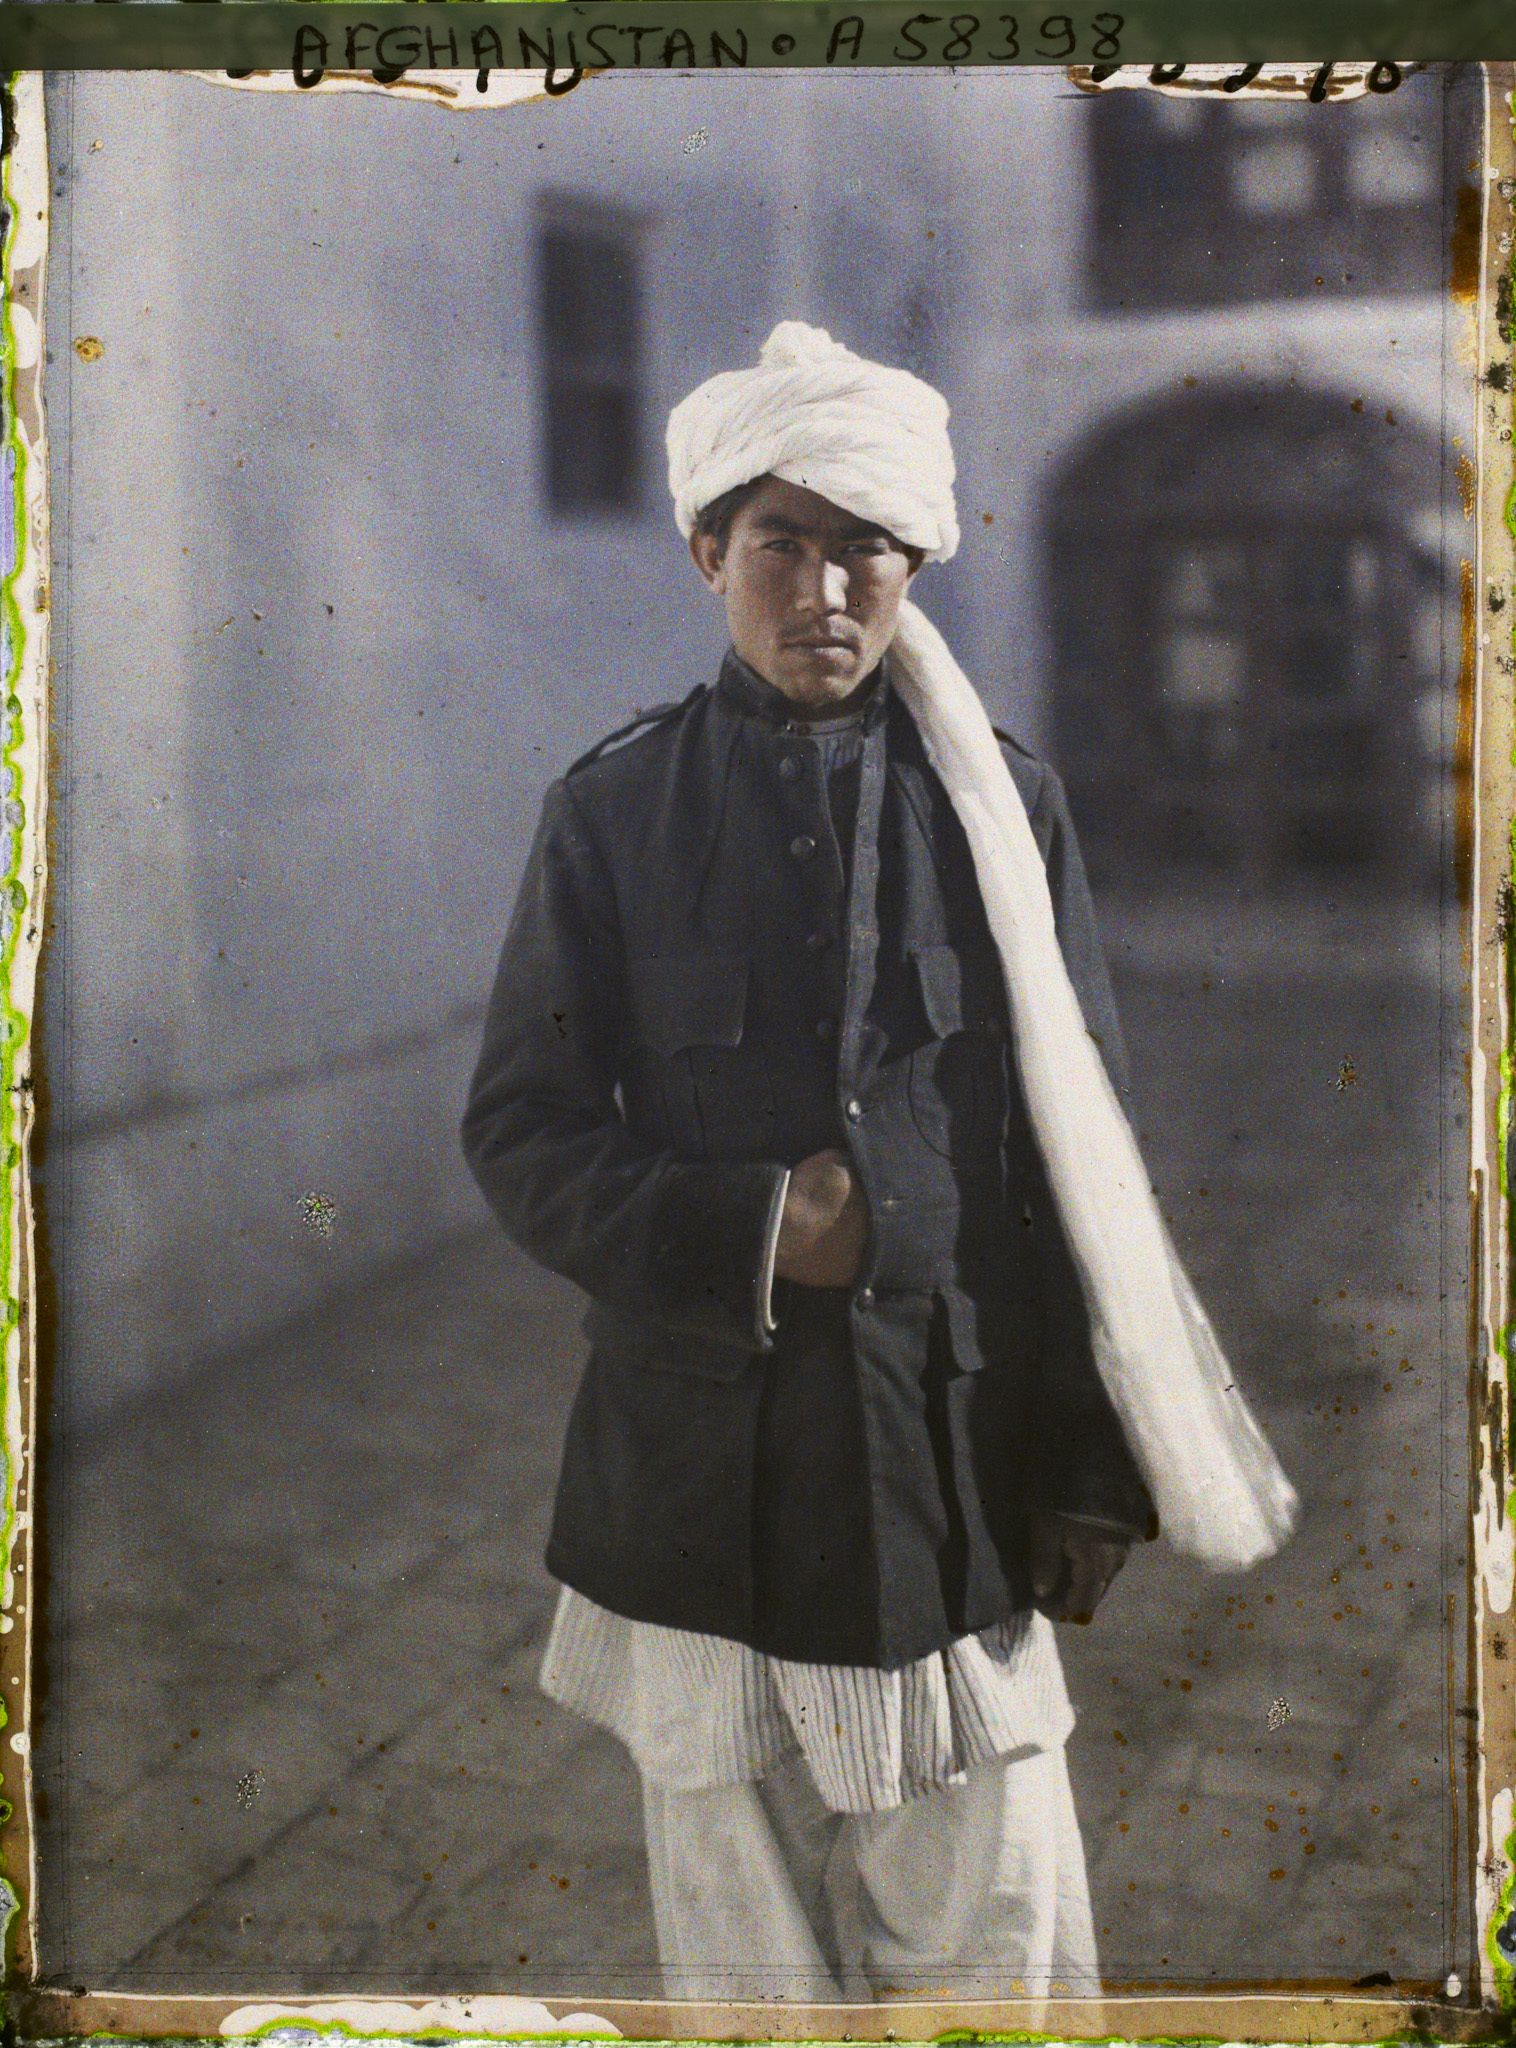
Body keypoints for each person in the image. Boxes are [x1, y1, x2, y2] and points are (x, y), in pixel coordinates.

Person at [461, 322, 1295, 2006]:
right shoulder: (611, 813)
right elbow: (523, 1129)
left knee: (994, 1957)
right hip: (697, 1491)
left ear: (918, 563)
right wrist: (757, 1226)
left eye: (867, 548)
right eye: (783, 542)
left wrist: (1089, 1467)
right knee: (748, 1977)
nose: (825, 590)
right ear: (709, 554)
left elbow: (1084, 1160)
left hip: (947, 1477)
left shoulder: (1003, 809)